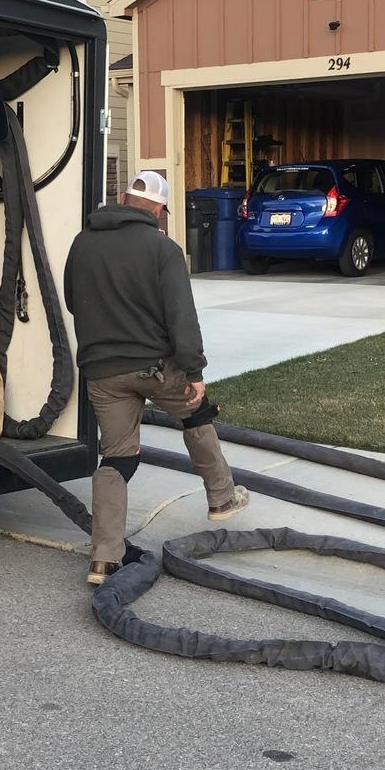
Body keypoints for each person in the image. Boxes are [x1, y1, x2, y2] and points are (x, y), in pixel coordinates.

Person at [64, 170, 250, 587]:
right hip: (155, 367)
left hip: (104, 372)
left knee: (117, 458)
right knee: (195, 414)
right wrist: (195, 370)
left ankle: (104, 559)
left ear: (122, 198)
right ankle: (221, 498)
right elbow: (181, 316)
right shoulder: (162, 248)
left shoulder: (82, 242)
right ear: (157, 209)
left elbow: (74, 302)